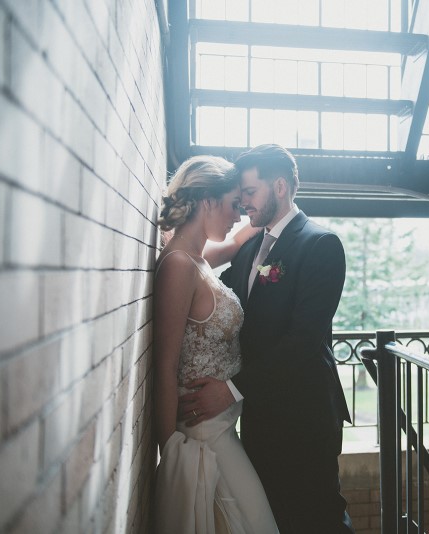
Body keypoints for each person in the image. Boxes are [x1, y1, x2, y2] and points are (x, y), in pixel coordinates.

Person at [179, 144, 354, 533]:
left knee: (318, 516)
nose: (242, 203)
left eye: (250, 192)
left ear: (279, 186)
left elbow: (304, 341)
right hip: (258, 415)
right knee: (271, 516)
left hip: (304, 415)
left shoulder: (321, 245)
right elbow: (199, 262)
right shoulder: (249, 247)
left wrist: (230, 390)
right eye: (239, 196)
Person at [152, 155, 278, 534]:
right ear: (207, 201)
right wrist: (171, 453)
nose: (238, 215)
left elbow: (240, 239)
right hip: (201, 437)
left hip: (224, 426)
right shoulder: (178, 266)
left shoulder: (199, 257)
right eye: (233, 205)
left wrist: (278, 206)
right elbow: (164, 366)